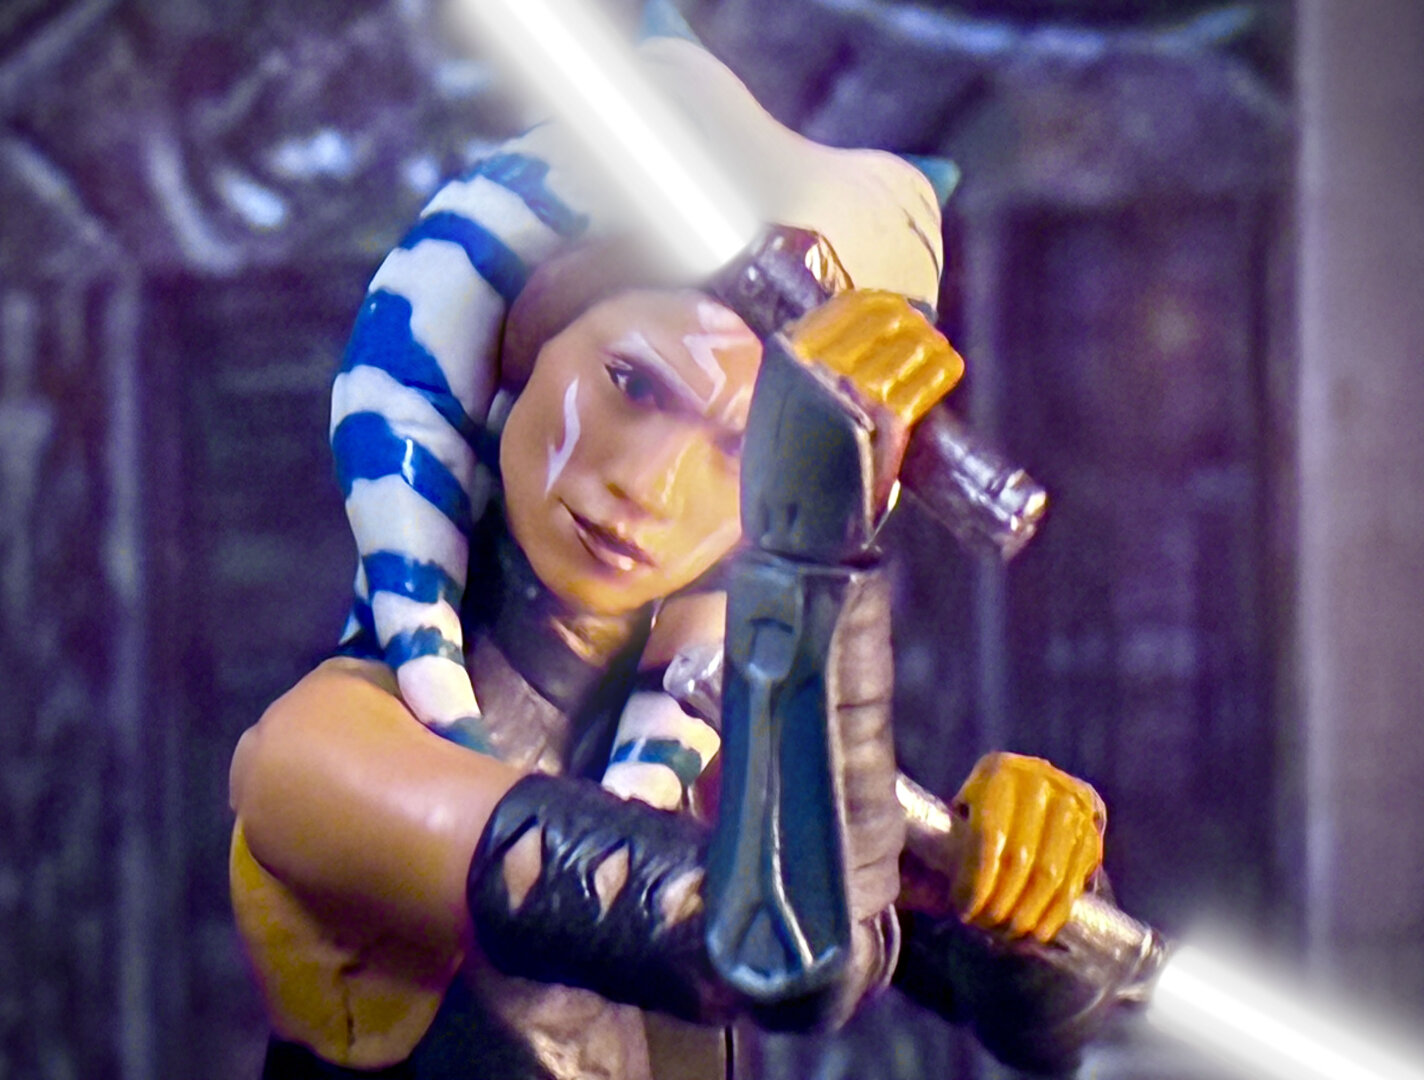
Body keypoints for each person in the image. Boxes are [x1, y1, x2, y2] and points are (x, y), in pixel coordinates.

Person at [229, 34, 1111, 1080]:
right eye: (634, 385)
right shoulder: (324, 755)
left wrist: (1030, 884)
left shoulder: (709, 741)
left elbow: (1058, 1023)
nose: (646, 483)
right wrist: (811, 554)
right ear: (522, 349)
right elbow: (769, 956)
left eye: (745, 449)